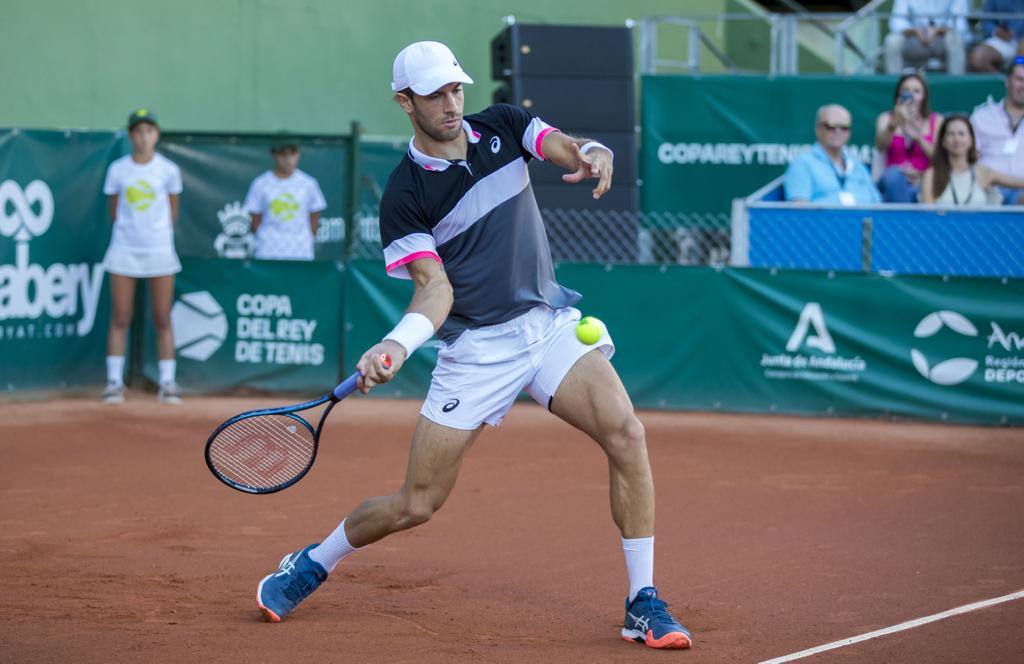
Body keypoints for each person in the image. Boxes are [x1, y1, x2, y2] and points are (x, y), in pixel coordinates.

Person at [254, 41, 693, 650]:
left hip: (546, 325)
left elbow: (562, 146)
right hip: (478, 350)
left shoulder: (504, 126)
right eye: (434, 94)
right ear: (404, 102)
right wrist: (397, 344)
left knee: (627, 432)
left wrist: (591, 151)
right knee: (417, 503)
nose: (451, 102)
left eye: (456, 88)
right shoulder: (404, 194)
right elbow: (434, 289)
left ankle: (642, 601)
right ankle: (315, 560)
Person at [100, 109, 183, 404]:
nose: (143, 136)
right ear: (131, 135)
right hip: (124, 249)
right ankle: (113, 382)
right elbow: (114, 210)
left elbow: (173, 211)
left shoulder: (168, 170)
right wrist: (131, 234)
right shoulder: (118, 170)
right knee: (121, 316)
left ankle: (168, 382)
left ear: (156, 135)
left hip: (160, 250)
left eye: (148, 131)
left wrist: (156, 236)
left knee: (162, 317)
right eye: (137, 131)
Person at [243, 136, 326, 261]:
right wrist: (267, 239)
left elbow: (314, 216)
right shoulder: (260, 184)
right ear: (274, 155)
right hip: (268, 252)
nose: (288, 160)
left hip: (301, 252)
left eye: (292, 154)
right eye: (283, 154)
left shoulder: (309, 184)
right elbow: (255, 219)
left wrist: (304, 239)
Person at [785, 104, 882, 205]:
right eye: (831, 126)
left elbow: (878, 205)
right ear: (818, 129)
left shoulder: (858, 165)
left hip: (863, 220)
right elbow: (798, 211)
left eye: (844, 127)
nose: (838, 131)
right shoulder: (802, 163)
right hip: (823, 220)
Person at [921, 114, 1024, 205]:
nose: (956, 139)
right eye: (950, 134)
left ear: (971, 140)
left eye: (961, 134)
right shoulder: (931, 174)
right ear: (943, 141)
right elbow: (928, 216)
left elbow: (1018, 182)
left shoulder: (983, 173)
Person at [875, 74, 942, 202]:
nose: (910, 95)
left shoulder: (937, 120)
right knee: (893, 174)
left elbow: (941, 159)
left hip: (924, 184)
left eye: (916, 91)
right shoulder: (886, 118)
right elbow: (880, 146)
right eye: (905, 90)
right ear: (898, 94)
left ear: (924, 96)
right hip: (892, 184)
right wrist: (893, 124)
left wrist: (919, 138)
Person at [971, 57, 1024, 204]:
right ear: (1007, 81)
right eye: (1019, 79)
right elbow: (968, 158)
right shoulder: (982, 116)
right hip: (988, 188)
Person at [885, 0, 968, 75]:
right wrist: (917, 31)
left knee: (956, 40)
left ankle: (955, 86)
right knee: (892, 41)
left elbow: (959, 25)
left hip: (942, 39)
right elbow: (896, 23)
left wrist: (937, 31)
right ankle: (894, 85)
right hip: (914, 39)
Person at [968, 0, 1024, 73]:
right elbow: (986, 21)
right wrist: (995, 31)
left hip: (1020, 42)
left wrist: (1016, 32)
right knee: (978, 58)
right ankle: (1005, 81)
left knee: (1020, 60)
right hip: (1001, 41)